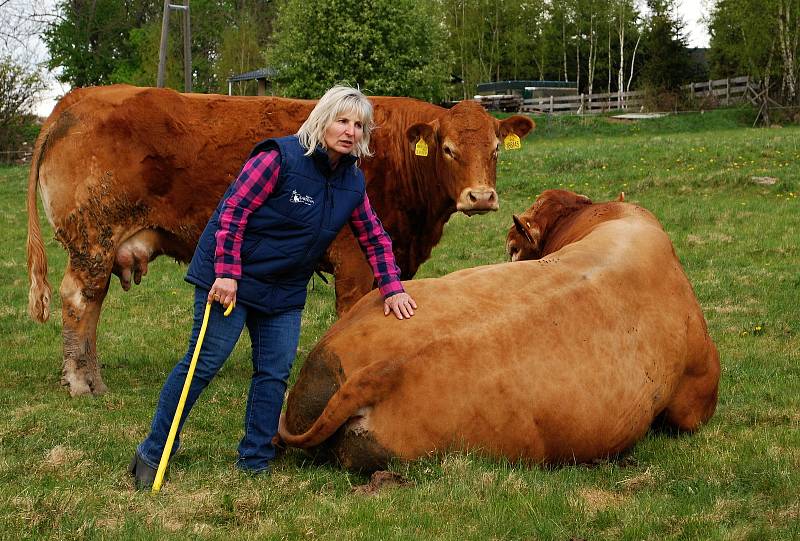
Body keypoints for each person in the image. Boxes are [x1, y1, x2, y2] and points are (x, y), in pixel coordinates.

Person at [129, 85, 417, 489]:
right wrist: (226, 273)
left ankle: (254, 461)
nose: (350, 131)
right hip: (231, 277)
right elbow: (234, 213)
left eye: (359, 125)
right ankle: (153, 451)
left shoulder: (352, 181)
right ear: (323, 120)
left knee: (273, 373)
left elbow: (374, 236)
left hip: (283, 291)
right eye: (342, 120)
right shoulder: (279, 158)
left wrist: (392, 286)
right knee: (203, 365)